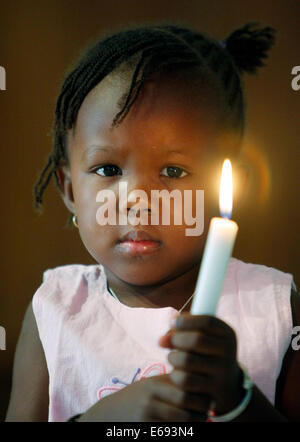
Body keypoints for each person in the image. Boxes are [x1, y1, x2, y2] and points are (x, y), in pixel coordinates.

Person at [6, 22, 300, 422]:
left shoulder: (275, 309)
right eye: (108, 168)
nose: (139, 201)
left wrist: (237, 399)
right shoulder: (56, 310)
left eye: (174, 171)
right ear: (70, 190)